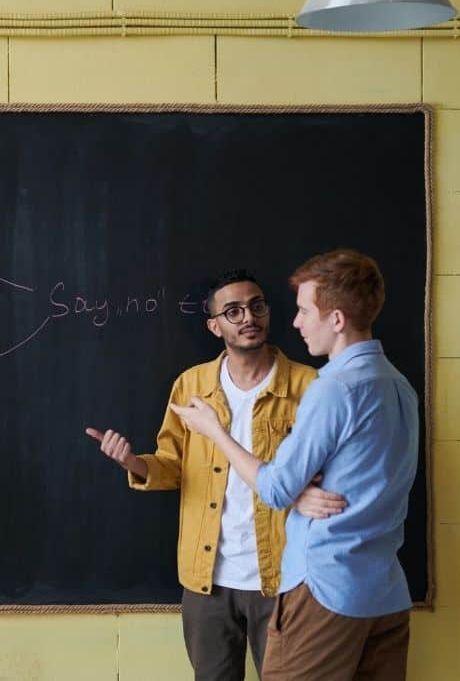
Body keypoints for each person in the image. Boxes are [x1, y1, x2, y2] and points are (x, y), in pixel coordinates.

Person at [170, 249, 418, 681]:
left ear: (336, 320)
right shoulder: (398, 385)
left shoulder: (331, 388)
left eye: (304, 310)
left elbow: (274, 488)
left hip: (327, 588)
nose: (297, 321)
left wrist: (216, 432)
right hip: (386, 592)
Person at [87, 270, 336, 681]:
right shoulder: (191, 386)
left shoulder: (308, 386)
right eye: (233, 311)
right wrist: (133, 462)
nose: (247, 318)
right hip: (208, 583)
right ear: (214, 325)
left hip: (285, 579)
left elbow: (329, 475)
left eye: (256, 306)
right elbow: (174, 465)